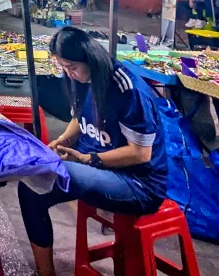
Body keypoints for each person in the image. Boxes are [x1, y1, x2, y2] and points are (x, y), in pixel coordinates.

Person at [18, 27, 167, 276]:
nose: (69, 73)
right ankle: (45, 272)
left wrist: (89, 158)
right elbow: (79, 115)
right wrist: (63, 140)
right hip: (99, 168)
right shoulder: (81, 79)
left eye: (72, 67)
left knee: (47, 175)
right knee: (31, 186)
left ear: (90, 58)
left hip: (138, 183)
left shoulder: (126, 88)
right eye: (63, 67)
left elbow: (141, 154)